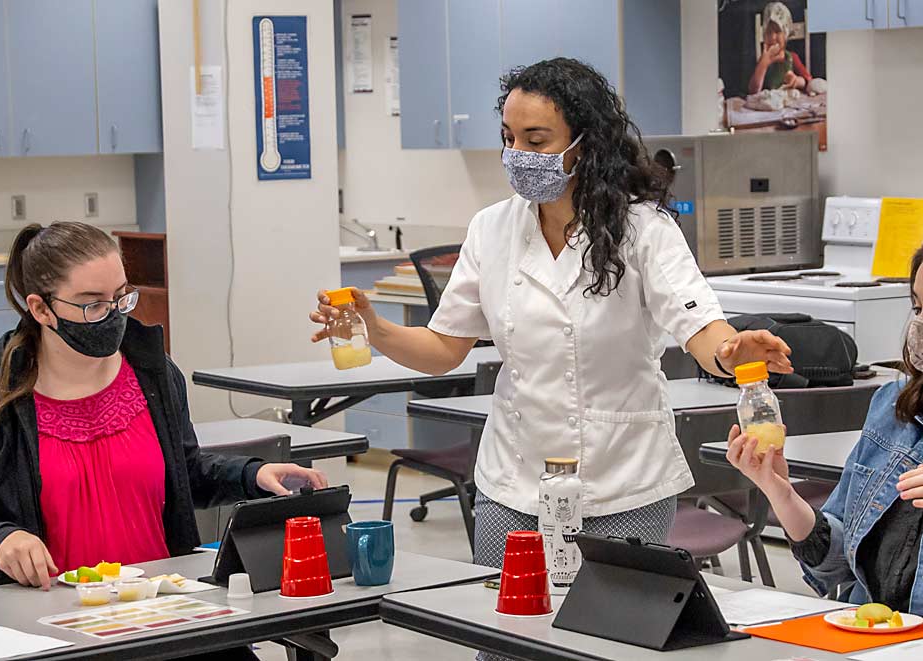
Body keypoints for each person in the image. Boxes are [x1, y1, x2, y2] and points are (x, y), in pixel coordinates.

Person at [310, 58, 792, 577]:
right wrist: (375, 327)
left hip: (622, 479)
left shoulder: (644, 229)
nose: (516, 155)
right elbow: (442, 350)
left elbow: (702, 330)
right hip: (515, 478)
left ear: (583, 144)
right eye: (508, 138)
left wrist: (732, 351)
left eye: (535, 141)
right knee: (507, 639)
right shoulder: (491, 229)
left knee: (608, 639)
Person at [0, 222, 326, 597]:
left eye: (120, 297)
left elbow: (181, 474)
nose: (113, 315)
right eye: (92, 305)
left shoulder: (153, 373)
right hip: (47, 618)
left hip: (158, 604)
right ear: (41, 309)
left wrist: (252, 473)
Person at [726, 246, 923, 617]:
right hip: (874, 639)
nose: (919, 326)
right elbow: (837, 563)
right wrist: (780, 492)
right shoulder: (892, 406)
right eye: (918, 308)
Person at [748, 2, 813, 94]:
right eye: (769, 32)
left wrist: (797, 81)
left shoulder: (792, 57)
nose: (773, 37)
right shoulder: (763, 60)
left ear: (785, 35)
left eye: (778, 31)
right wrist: (764, 64)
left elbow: (808, 81)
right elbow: (753, 90)